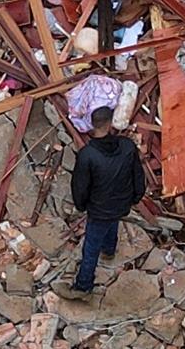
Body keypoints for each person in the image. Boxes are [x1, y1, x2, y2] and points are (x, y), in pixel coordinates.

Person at [54, 105, 146, 300]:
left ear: (91, 125)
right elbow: (138, 175)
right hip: (121, 204)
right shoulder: (127, 147)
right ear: (112, 122)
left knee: (90, 247)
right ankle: (109, 250)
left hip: (99, 208)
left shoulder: (88, 155)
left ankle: (83, 286)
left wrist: (81, 205)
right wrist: (136, 197)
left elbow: (80, 185)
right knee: (112, 222)